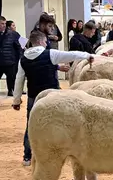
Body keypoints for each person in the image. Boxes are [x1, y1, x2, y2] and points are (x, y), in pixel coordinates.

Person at [13, 30, 93, 166]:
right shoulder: (50, 54)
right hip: (52, 96)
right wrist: (87, 55)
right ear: (40, 41)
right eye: (45, 41)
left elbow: (19, 80)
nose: (46, 44)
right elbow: (71, 55)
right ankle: (63, 151)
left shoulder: (23, 59)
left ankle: (27, 156)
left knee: (31, 125)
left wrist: (16, 99)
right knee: (60, 122)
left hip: (34, 96)